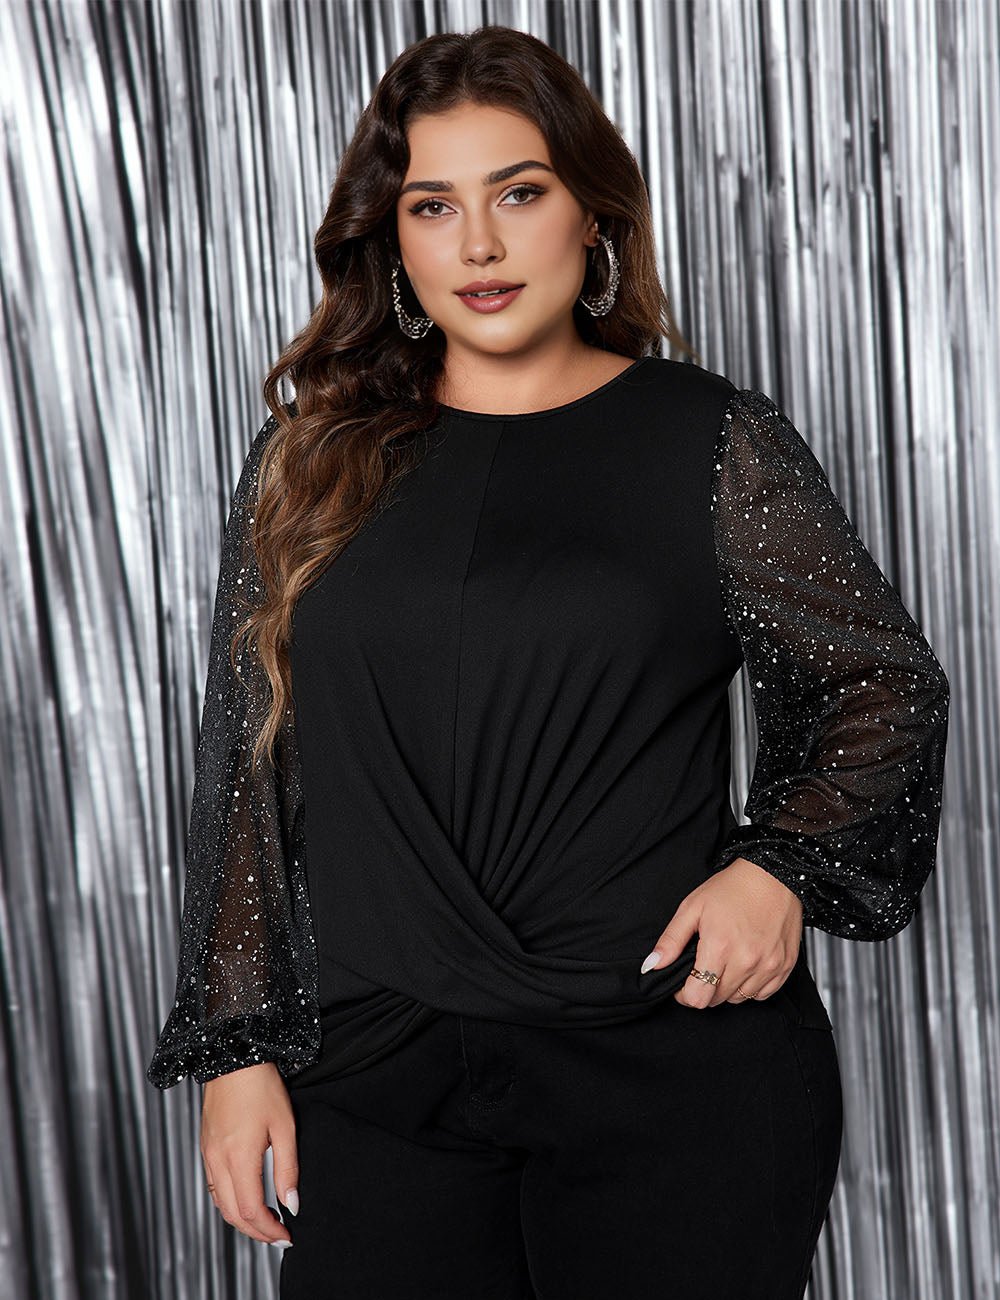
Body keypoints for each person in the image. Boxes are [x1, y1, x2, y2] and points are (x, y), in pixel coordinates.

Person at [147, 26, 950, 1300]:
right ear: (393, 240)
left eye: (517, 193)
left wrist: (777, 869)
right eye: (433, 206)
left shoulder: (709, 440)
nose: (478, 244)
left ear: (590, 215)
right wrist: (237, 1049)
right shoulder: (311, 464)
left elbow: (879, 681)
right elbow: (252, 759)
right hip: (379, 1067)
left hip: (671, 1069)